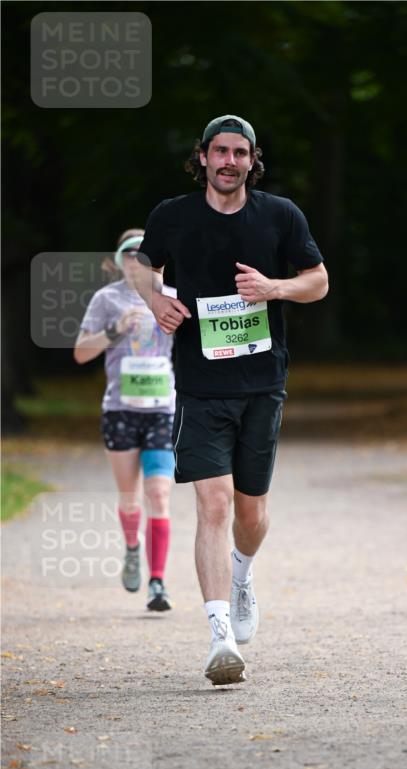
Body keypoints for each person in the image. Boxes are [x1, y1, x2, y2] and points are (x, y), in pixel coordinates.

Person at [135, 114, 328, 685]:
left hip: (262, 383)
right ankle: (221, 637)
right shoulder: (172, 216)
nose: (228, 162)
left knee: (250, 513)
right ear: (202, 157)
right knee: (213, 506)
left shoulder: (279, 215)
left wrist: (275, 288)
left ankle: (242, 574)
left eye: (239, 153)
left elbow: (318, 280)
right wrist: (153, 301)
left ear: (252, 159)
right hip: (200, 384)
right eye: (219, 151)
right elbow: (141, 266)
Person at [74, 229, 177, 612]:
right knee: (130, 498)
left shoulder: (172, 294)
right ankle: (132, 547)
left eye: (145, 252)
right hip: (120, 409)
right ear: (120, 259)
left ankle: (158, 582)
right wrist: (116, 329)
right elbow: (81, 353)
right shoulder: (107, 299)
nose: (138, 259)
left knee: (159, 495)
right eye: (130, 253)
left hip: (162, 410)